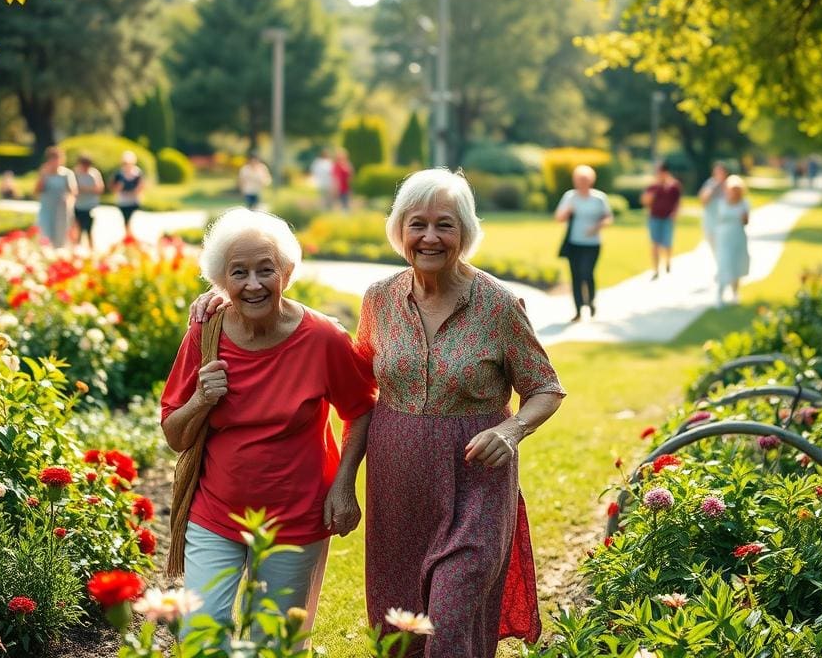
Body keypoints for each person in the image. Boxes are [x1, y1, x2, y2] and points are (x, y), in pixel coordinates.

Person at [191, 169, 565, 657]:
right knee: (399, 627)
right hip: (397, 485)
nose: (429, 237)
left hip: (476, 480)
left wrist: (513, 429)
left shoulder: (498, 304)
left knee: (450, 619)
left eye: (445, 225)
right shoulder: (380, 300)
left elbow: (546, 388)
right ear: (400, 231)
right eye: (418, 224)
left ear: (465, 232)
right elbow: (353, 384)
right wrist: (232, 292)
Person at [161, 208, 376, 636]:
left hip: (296, 518)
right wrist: (202, 400)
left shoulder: (323, 339)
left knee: (273, 641)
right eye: (238, 272)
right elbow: (174, 434)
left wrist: (343, 483)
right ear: (222, 280)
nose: (253, 284)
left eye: (266, 270)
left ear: (287, 273)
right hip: (215, 513)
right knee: (201, 630)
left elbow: (361, 408)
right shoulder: (206, 334)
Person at [555, 165, 613, 321]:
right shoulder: (570, 197)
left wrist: (597, 227)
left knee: (587, 272)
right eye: (579, 180)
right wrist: (568, 211)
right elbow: (558, 218)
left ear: (591, 181)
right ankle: (578, 309)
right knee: (575, 276)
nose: (581, 183)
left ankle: (591, 301)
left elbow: (608, 218)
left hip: (592, 243)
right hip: (574, 243)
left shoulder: (599, 198)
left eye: (585, 180)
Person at [641, 160, 681, 280]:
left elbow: (678, 203)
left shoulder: (674, 186)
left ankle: (668, 261)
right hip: (655, 218)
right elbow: (645, 201)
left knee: (667, 243)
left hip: (667, 218)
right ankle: (656, 269)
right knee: (655, 244)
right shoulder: (653, 186)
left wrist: (675, 214)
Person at [715, 175, 751, 307]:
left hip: (738, 237)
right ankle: (719, 295)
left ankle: (735, 293)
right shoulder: (721, 202)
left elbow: (746, 221)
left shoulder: (744, 203)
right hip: (724, 238)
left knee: (736, 266)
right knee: (724, 265)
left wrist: (743, 216)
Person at [34, 146, 77, 248]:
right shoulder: (44, 172)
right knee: (45, 237)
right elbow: (37, 191)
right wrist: (43, 176)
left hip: (61, 210)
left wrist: (69, 200)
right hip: (47, 209)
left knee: (60, 239)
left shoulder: (67, 173)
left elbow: (73, 191)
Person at [72, 155, 104, 249]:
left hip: (90, 205)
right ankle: (76, 250)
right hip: (78, 205)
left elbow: (99, 188)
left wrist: (85, 189)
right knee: (78, 230)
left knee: (89, 230)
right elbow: (73, 189)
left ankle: (91, 249)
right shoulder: (75, 174)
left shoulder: (94, 174)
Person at [110, 151, 144, 239]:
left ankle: (131, 239)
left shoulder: (137, 173)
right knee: (126, 222)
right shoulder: (119, 174)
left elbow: (141, 186)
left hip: (134, 201)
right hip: (123, 201)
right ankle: (129, 239)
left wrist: (135, 191)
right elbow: (113, 188)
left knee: (132, 222)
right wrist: (119, 187)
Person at [698, 162, 728, 252]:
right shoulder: (710, 183)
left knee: (723, 250)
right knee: (715, 249)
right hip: (710, 223)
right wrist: (713, 187)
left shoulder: (729, 185)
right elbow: (703, 201)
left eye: (721, 172)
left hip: (724, 224)